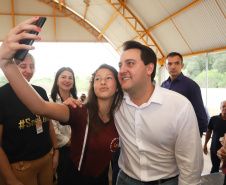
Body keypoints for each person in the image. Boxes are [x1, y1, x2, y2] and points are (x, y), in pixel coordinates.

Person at [0, 16, 124, 185]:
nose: (102, 81)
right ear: (92, 86)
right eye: (97, 79)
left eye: (108, 78)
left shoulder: (122, 114)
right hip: (76, 179)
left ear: (117, 86)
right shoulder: (79, 111)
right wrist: (6, 63)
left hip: (102, 179)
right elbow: (40, 107)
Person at [65, 41, 204, 184]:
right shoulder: (117, 104)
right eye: (120, 65)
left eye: (130, 63)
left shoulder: (179, 105)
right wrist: (76, 104)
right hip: (125, 179)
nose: (122, 70)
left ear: (149, 68)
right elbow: (94, 108)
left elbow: (190, 163)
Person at [0, 53, 58, 185]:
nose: (29, 70)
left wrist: (56, 151)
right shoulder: (2, 96)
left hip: (46, 158)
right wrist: (10, 179)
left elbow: (48, 125)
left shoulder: (40, 92)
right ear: (12, 68)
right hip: (21, 166)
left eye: (32, 66)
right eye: (23, 66)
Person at [161, 52, 208, 137]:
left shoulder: (191, 85)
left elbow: (199, 110)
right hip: (167, 131)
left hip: (186, 132)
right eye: (170, 64)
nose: (173, 66)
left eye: (177, 63)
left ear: (182, 66)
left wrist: (199, 133)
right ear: (166, 66)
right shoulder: (163, 85)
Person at [49, 67, 78, 185]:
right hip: (62, 149)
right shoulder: (50, 101)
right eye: (63, 77)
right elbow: (54, 131)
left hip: (78, 148)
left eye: (70, 78)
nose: (67, 80)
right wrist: (72, 144)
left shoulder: (77, 100)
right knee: (64, 179)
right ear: (56, 81)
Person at [204, 101, 226, 173]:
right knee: (215, 168)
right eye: (223, 106)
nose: (225, 108)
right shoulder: (214, 119)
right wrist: (205, 145)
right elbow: (209, 132)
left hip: (225, 149)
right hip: (215, 148)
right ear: (220, 108)